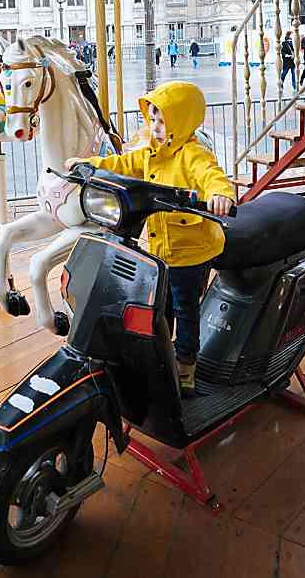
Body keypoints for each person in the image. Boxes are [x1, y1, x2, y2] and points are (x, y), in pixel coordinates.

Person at [66, 82, 235, 396]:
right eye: (152, 120)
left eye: (162, 121)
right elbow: (123, 163)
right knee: (158, 306)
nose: (155, 128)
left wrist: (221, 195)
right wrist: (90, 164)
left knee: (185, 309)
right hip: (159, 251)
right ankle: (160, 357)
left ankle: (186, 367)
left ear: (182, 121)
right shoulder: (150, 153)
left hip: (190, 252)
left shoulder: (193, 154)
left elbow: (213, 176)